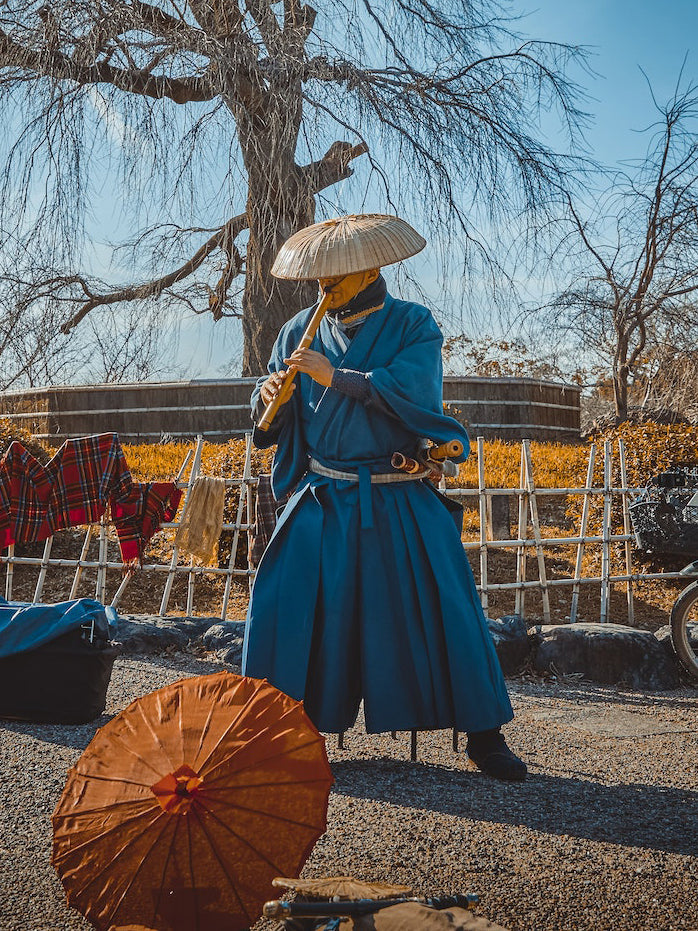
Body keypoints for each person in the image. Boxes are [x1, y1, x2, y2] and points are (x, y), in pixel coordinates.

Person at [242, 214, 526, 781]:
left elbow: (417, 394)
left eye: (338, 277)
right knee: (284, 604)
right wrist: (266, 403)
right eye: (321, 278)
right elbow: (274, 422)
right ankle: (274, 732)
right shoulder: (296, 329)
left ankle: (484, 735)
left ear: (370, 268)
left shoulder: (413, 323)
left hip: (397, 492)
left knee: (447, 602)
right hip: (323, 495)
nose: (326, 288)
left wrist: (337, 377)